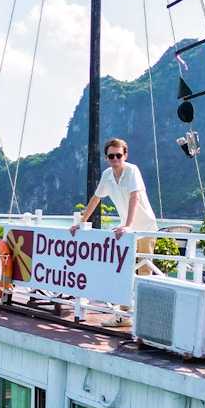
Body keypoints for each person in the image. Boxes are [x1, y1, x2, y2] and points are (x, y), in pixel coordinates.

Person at [70, 138, 158, 327]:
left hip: (145, 228)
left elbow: (135, 197)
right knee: (123, 271)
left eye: (119, 155)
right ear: (106, 158)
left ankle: (146, 319)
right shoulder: (107, 175)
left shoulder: (132, 170)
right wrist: (82, 222)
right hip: (126, 231)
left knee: (145, 273)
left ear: (125, 155)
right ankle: (123, 316)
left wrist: (128, 225)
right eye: (111, 156)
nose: (115, 159)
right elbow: (96, 198)